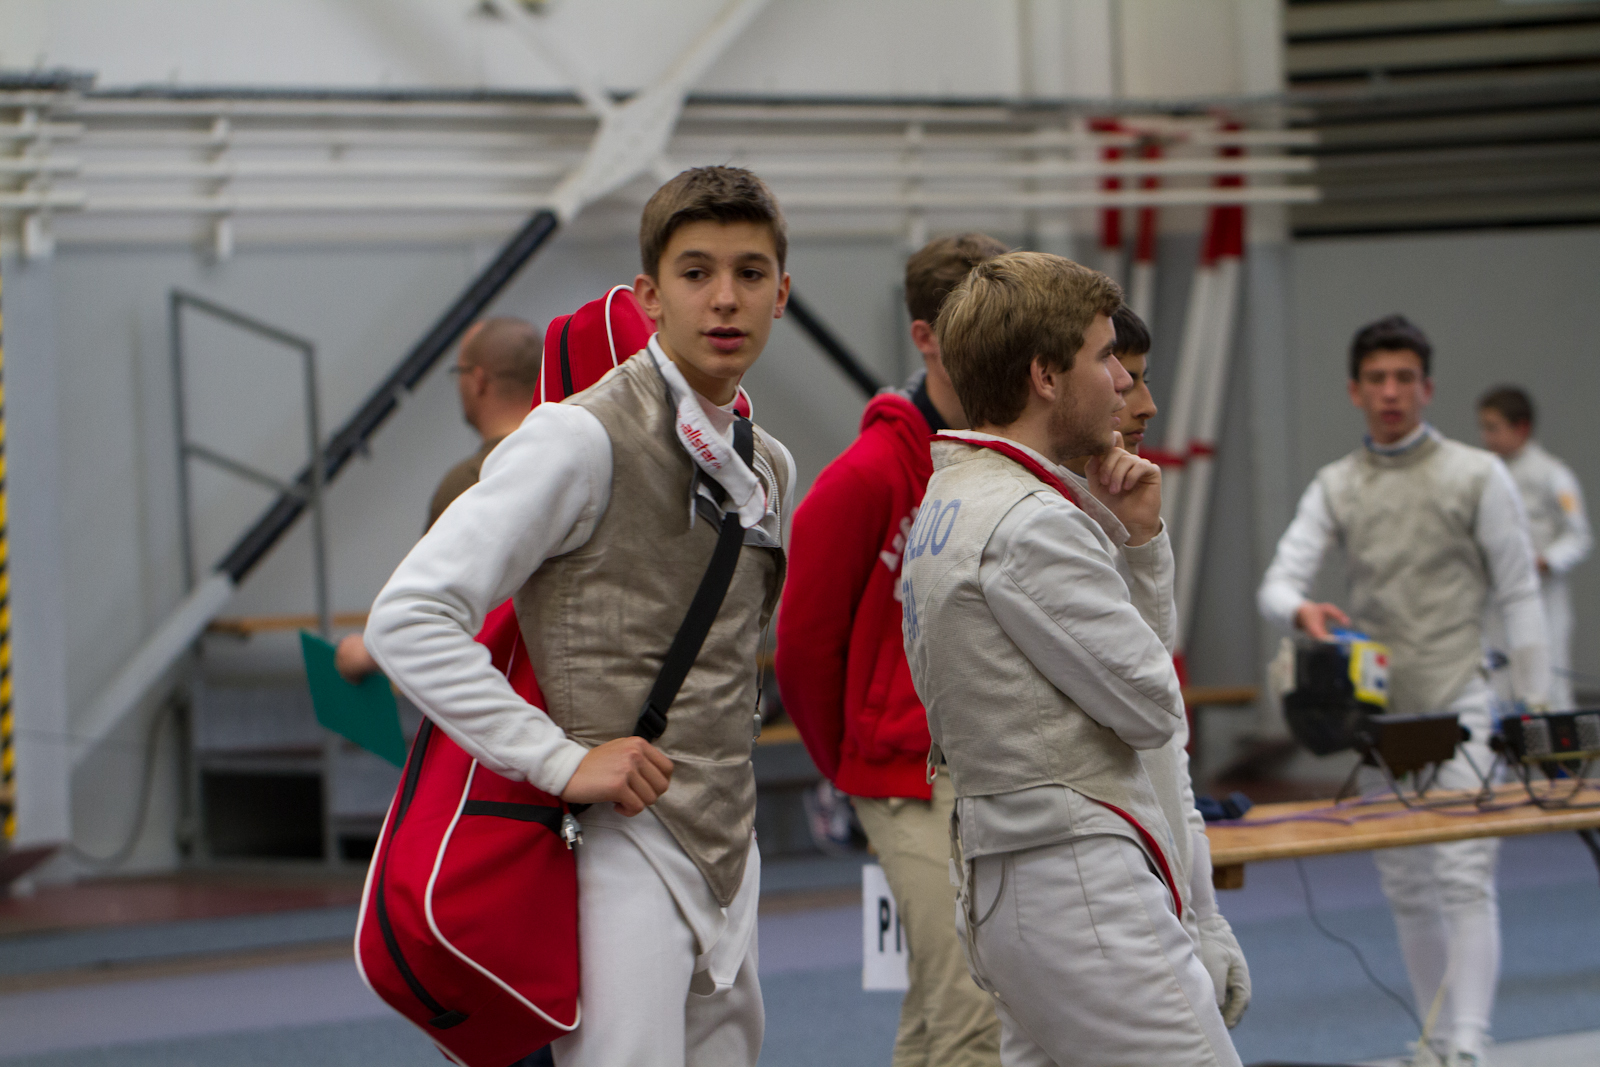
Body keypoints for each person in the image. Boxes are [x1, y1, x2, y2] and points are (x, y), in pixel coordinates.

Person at [365, 166, 795, 1067]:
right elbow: (408, 616)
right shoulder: (578, 436)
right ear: (650, 296)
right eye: (696, 272)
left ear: (781, 293)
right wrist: (559, 759)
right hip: (615, 843)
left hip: (729, 845)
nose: (725, 298)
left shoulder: (766, 463)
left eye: (750, 273)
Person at [901, 251, 1248, 1067]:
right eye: (1104, 357)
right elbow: (1152, 707)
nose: (1124, 383)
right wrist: (1141, 552)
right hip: (1078, 889)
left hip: (1010, 884)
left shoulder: (949, 500)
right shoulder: (1031, 521)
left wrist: (1135, 539)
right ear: (1045, 376)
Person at [1258, 315, 1548, 1067]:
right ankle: (1436, 1036)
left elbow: (1520, 591)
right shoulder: (1338, 483)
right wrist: (1301, 611)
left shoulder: (1477, 474)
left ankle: (1470, 1041)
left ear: (1427, 387)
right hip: (1381, 715)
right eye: (1377, 379)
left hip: (1462, 698)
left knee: (1463, 870)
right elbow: (1279, 582)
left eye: (1404, 378)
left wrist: (1538, 708)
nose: (1391, 392)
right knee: (1408, 882)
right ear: (1355, 390)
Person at [776, 233, 1007, 1067]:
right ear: (925, 337)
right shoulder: (869, 473)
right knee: (976, 1012)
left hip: (991, 763)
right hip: (903, 775)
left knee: (938, 1012)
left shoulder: (1009, 458)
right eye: (971, 326)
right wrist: (853, 761)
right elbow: (802, 646)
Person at [334, 316, 542, 683]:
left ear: (478, 380)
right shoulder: (574, 462)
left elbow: (423, 617)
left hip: (494, 690)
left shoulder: (468, 483)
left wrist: (362, 655)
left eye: (458, 373)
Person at [1477, 386, 1592, 711]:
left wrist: (1546, 561)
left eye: (1493, 428)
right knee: (1499, 684)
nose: (1486, 437)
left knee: (1547, 688)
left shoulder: (1553, 474)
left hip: (1544, 600)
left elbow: (1578, 536)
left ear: (1521, 427)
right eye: (1484, 428)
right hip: (1497, 601)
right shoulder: (1486, 475)